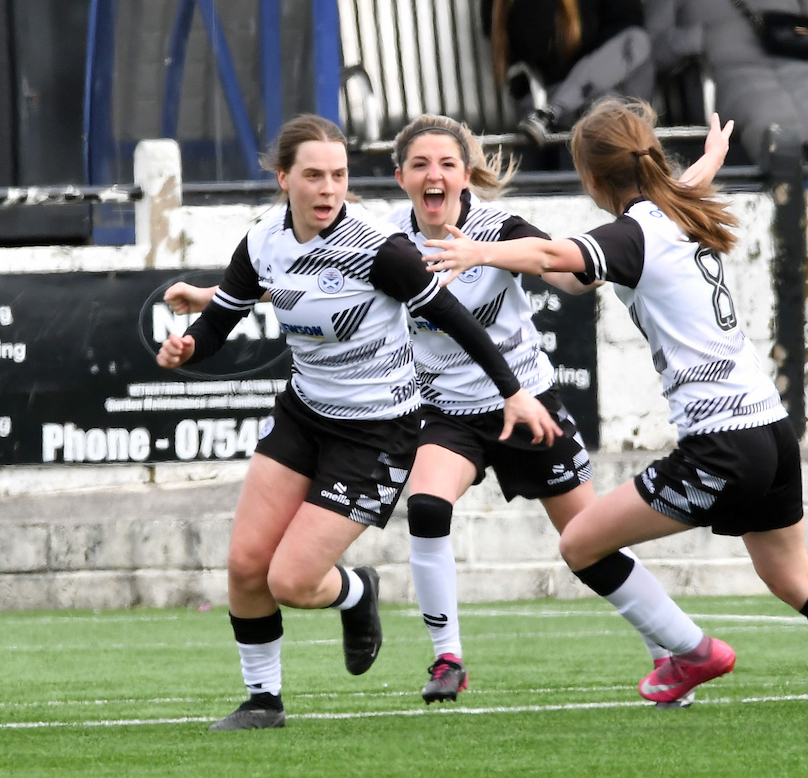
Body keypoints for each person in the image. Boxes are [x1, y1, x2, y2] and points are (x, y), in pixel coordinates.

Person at [164, 110, 736, 709]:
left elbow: (579, 272)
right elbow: (302, 277)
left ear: (466, 175)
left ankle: (666, 651)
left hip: (525, 400)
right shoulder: (386, 236)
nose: (433, 175)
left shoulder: (500, 226)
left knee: (587, 538)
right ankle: (448, 657)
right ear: (401, 176)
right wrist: (210, 300)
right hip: (444, 410)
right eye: (420, 165)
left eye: (446, 164)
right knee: (429, 505)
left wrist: (497, 258)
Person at [424, 97, 808, 725]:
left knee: (580, 544)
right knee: (795, 580)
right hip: (770, 427)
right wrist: (707, 162)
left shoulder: (638, 231)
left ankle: (692, 655)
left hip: (720, 444)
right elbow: (625, 230)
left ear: (593, 178)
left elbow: (551, 258)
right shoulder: (673, 211)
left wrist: (477, 254)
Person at [156, 113, 559, 731]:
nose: (327, 189)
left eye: (339, 176)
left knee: (290, 579)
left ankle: (356, 591)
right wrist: (189, 345)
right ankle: (263, 701)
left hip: (378, 432)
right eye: (313, 176)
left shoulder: (380, 249)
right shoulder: (263, 239)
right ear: (284, 179)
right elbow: (222, 322)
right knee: (244, 566)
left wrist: (513, 392)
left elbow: (457, 318)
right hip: (304, 415)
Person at [645, 0, 808, 167]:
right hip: (734, 73)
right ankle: (795, 206)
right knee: (769, 119)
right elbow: (654, 47)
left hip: (803, 63)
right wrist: (696, 38)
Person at [483, 0, 655, 146]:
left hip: (606, 83)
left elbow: (628, 25)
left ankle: (550, 113)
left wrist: (591, 62)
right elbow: (536, 50)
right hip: (548, 91)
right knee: (607, 107)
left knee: (635, 41)